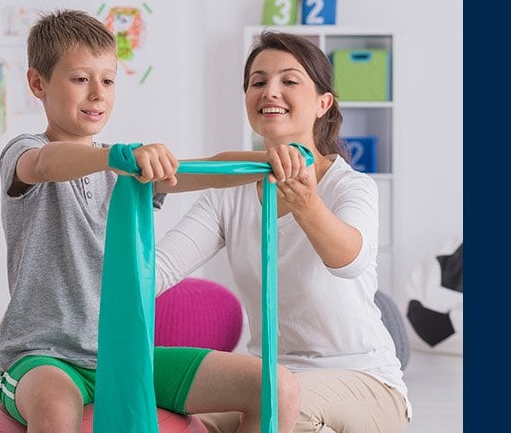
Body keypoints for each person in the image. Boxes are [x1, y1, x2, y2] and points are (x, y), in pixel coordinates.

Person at [0, 10, 298, 433]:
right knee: (54, 402)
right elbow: (45, 165)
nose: (98, 94)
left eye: (108, 80)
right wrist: (118, 157)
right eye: (81, 79)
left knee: (275, 387)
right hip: (44, 356)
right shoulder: (25, 152)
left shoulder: (126, 170)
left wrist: (267, 159)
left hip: (127, 354)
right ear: (38, 83)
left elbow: (201, 167)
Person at [156, 31, 410, 433]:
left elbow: (349, 260)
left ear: (323, 103)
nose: (270, 91)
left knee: (282, 414)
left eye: (289, 81)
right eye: (258, 82)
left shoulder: (350, 186)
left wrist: (308, 202)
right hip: (268, 377)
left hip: (363, 380)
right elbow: (160, 268)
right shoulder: (231, 192)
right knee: (174, 422)